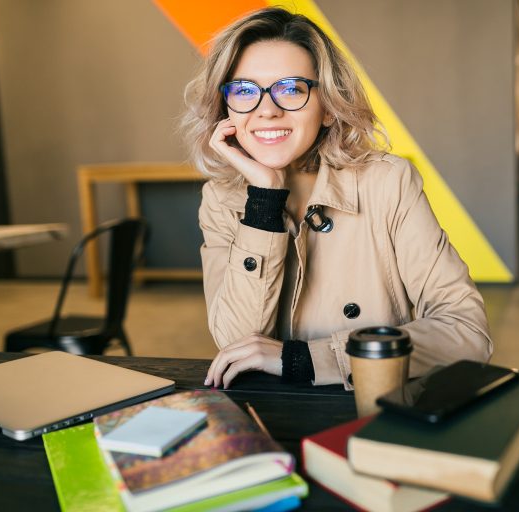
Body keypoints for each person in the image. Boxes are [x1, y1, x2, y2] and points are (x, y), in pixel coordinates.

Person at [181, 7, 492, 390]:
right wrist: (264, 200)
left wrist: (308, 359)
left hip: (371, 408)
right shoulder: (220, 199)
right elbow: (235, 342)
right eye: (245, 91)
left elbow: (467, 331)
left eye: (291, 88)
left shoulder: (387, 182)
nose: (267, 110)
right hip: (271, 419)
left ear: (328, 107)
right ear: (226, 107)